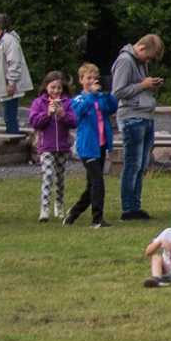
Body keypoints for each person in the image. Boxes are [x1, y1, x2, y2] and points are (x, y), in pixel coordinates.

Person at [111, 34, 163, 221]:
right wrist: (143, 85)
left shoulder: (140, 62)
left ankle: (135, 204)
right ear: (140, 48)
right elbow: (118, 92)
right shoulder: (125, 61)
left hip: (145, 115)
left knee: (141, 164)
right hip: (132, 117)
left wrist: (149, 86)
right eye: (148, 57)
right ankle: (128, 207)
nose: (147, 61)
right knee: (132, 164)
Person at [64, 63, 117, 228]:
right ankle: (97, 219)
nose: (92, 81)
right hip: (87, 146)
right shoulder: (79, 99)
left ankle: (74, 213)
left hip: (100, 144)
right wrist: (91, 96)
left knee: (92, 185)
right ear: (81, 80)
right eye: (88, 78)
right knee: (98, 181)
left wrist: (107, 94)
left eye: (95, 78)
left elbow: (112, 108)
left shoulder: (99, 97)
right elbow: (77, 114)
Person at [30, 71, 76, 222]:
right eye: (53, 87)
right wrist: (47, 114)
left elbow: (74, 122)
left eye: (59, 88)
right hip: (46, 146)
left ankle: (59, 204)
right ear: (46, 87)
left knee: (60, 178)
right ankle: (44, 208)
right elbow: (34, 122)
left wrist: (63, 114)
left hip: (62, 146)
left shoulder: (68, 102)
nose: (56, 91)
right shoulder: (38, 102)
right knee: (48, 175)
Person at [0, 13, 31, 134]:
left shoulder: (9, 41)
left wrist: (11, 83)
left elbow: (14, 63)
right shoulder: (2, 41)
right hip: (7, 85)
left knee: (10, 117)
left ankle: (13, 142)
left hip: (11, 86)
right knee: (8, 117)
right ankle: (11, 138)